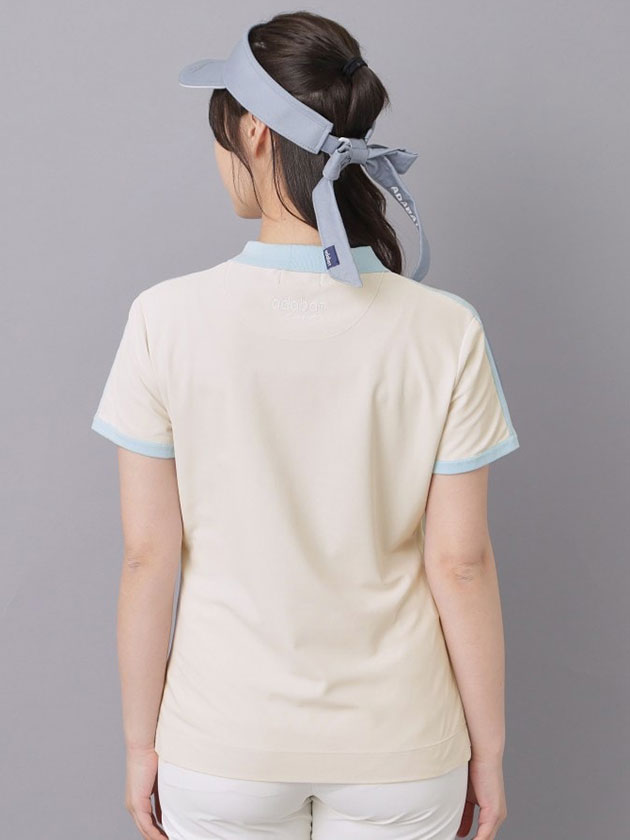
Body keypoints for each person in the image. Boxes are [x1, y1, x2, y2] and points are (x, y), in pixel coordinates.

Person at [90, 11, 520, 840]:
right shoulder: (445, 328)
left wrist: (142, 745)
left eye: (219, 134)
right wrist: (489, 752)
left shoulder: (164, 318)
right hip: (402, 747)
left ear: (253, 132)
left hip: (222, 745)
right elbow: (461, 563)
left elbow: (148, 558)